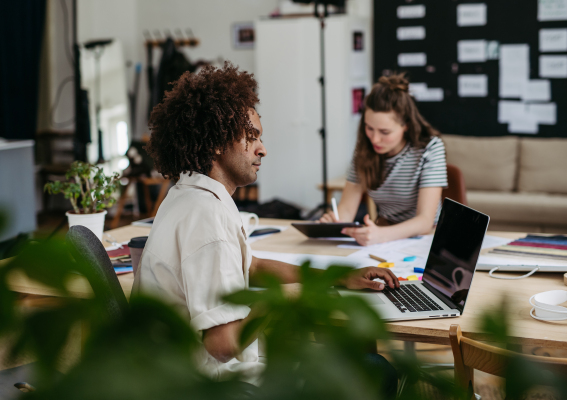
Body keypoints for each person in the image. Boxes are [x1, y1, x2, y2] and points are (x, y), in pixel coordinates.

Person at [133, 63, 398, 396]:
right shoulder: (206, 216)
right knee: (375, 371)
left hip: (196, 374)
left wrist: (336, 278)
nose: (263, 148)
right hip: (219, 387)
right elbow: (223, 343)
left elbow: (252, 266)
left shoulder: (190, 195)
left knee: (357, 356)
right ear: (216, 143)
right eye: (252, 137)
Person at [320, 73, 448, 246]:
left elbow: (425, 221)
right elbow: (347, 210)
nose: (374, 139)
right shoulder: (365, 149)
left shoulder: (430, 148)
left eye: (385, 132)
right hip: (385, 235)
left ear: (406, 126)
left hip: (424, 238)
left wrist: (381, 235)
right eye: (369, 128)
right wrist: (334, 224)